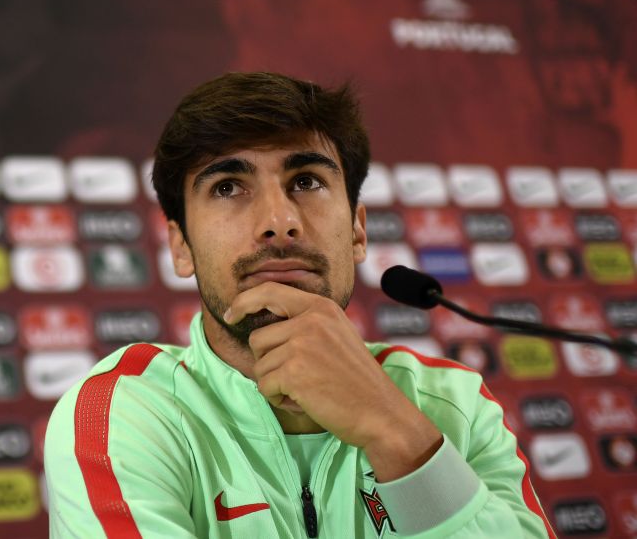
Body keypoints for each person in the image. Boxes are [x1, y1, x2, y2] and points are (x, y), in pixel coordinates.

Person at [45, 72, 554, 538]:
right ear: (181, 247)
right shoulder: (122, 412)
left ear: (358, 229)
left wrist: (394, 430)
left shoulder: (454, 403)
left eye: (306, 181)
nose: (279, 221)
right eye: (227, 187)